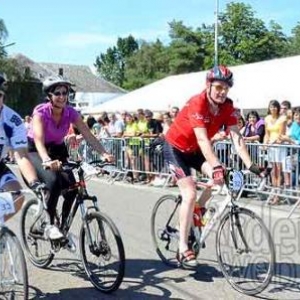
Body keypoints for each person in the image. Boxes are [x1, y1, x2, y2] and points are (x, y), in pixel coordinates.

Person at [163, 65, 264, 269]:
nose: (222, 92)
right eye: (218, 87)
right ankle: (183, 247)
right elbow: (202, 138)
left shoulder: (227, 107)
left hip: (195, 151)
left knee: (219, 178)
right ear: (208, 85)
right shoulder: (197, 102)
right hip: (175, 149)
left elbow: (237, 138)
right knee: (189, 193)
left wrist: (251, 165)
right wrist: (216, 164)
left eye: (226, 88)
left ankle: (195, 212)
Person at [27, 76, 113, 242]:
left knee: (73, 187)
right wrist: (46, 160)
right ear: (49, 96)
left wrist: (103, 153)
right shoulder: (41, 112)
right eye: (57, 93)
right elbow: (38, 139)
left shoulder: (71, 113)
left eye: (65, 92)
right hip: (36, 151)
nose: (62, 96)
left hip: (58, 150)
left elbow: (88, 135)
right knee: (53, 182)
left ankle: (62, 228)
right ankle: (47, 225)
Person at [0, 72, 44, 222]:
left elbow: (22, 156)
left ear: (3, 97)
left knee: (17, 197)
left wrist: (34, 182)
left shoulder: (13, 121)